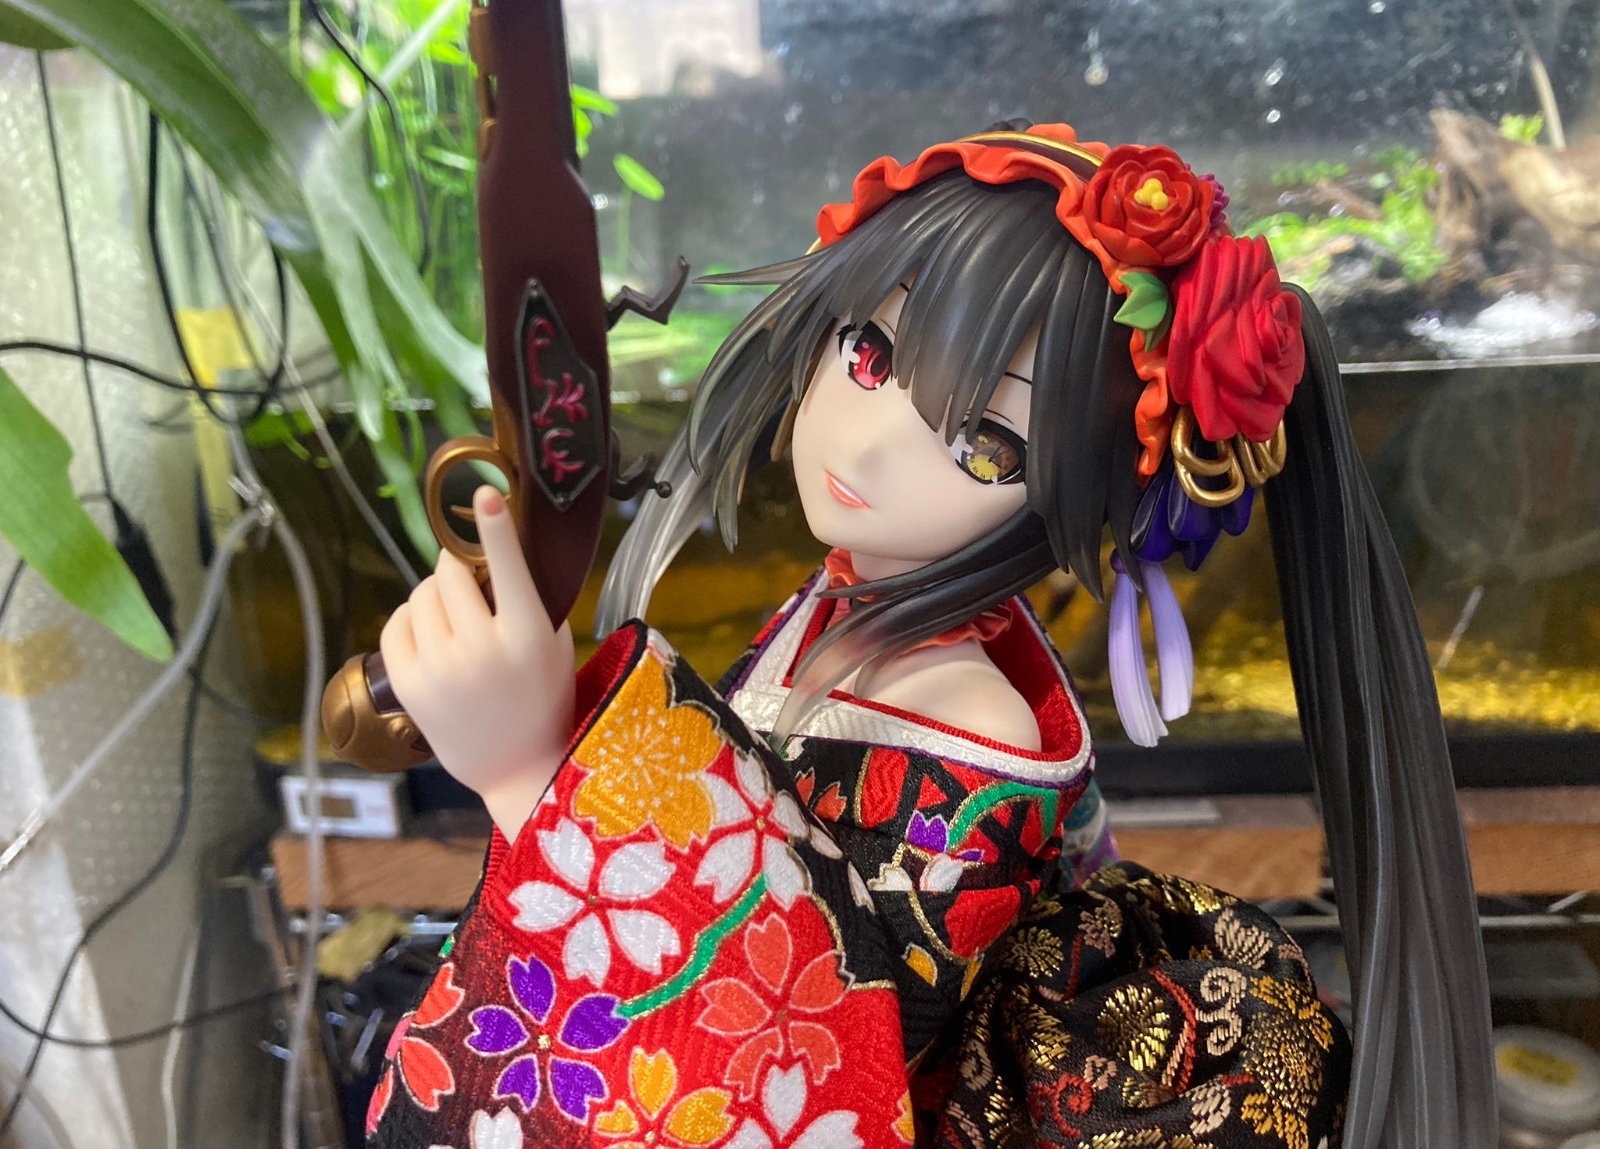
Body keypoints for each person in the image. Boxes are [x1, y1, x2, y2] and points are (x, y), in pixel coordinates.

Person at [364, 122, 1493, 1148]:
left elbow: (812, 1063)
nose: (865, 444)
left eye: (983, 445)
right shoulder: (854, 610)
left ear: (1074, 491)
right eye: (869, 353)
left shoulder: (968, 720)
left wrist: (535, 780)